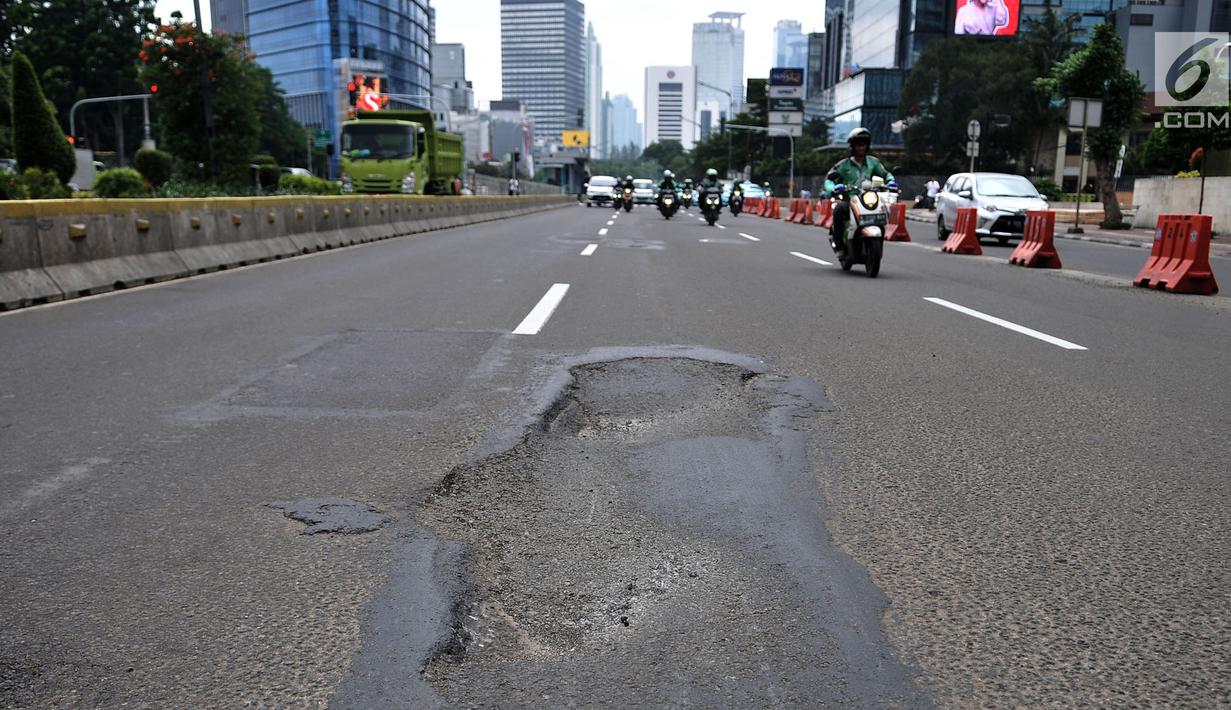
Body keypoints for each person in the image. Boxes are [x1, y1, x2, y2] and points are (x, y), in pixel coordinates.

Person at [823, 127, 897, 257]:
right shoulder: (843, 165)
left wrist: (891, 182)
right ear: (852, 146)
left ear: (867, 146)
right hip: (850, 200)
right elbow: (828, 180)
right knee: (839, 210)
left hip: (869, 200)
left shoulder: (874, 163)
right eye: (858, 144)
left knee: (884, 209)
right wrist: (833, 188)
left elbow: (887, 175)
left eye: (863, 144)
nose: (860, 148)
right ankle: (839, 244)